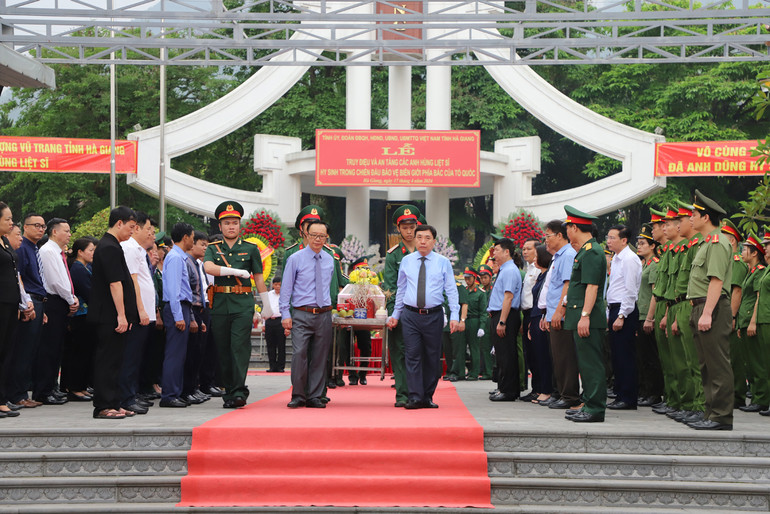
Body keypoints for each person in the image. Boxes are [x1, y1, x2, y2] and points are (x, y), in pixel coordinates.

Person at [204, 201, 272, 408]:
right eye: (227, 223)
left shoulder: (250, 249)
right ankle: (229, 392)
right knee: (223, 349)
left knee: (239, 347)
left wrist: (267, 304)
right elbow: (208, 267)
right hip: (220, 304)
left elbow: (259, 278)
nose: (231, 226)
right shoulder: (213, 248)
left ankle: (239, 391)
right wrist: (233, 271)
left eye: (234, 223)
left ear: (240, 225)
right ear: (220, 227)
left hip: (242, 304)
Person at [387, 224, 459, 409]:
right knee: (412, 355)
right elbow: (401, 289)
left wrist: (455, 315)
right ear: (415, 239)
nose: (422, 241)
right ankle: (414, 396)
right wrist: (396, 314)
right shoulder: (407, 261)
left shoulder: (442, 262)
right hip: (410, 315)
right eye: (419, 237)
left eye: (427, 238)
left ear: (434, 241)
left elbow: (451, 289)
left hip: (433, 315)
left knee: (432, 357)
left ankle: (427, 396)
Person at [685, 189, 734, 430]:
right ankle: (710, 411)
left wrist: (707, 313)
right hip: (701, 305)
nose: (690, 218)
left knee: (717, 364)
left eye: (694, 214)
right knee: (706, 365)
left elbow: (716, 281)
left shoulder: (717, 242)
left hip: (711, 307)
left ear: (706, 218)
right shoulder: (705, 243)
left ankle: (721, 416)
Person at [89, 206, 139, 419]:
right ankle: (103, 405)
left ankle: (115, 402)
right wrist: (121, 314)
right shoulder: (108, 247)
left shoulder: (113, 245)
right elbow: (114, 284)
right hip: (108, 315)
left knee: (116, 361)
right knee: (107, 361)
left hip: (114, 315)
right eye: (130, 227)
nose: (132, 231)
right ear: (119, 223)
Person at [280, 219, 334, 408]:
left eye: (322, 236)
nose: (317, 239)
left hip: (324, 313)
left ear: (326, 238)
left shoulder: (330, 259)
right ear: (306, 235)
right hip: (302, 313)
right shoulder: (295, 258)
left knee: (321, 356)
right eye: (314, 235)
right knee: (299, 354)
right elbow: (286, 289)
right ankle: (298, 394)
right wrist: (285, 314)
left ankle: (315, 396)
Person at [562, 206, 607, 423]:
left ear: (574, 227)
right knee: (585, 363)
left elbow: (592, 287)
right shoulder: (586, 250)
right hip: (582, 315)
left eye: (568, 227)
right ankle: (589, 403)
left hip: (588, 317)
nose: (567, 232)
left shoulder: (592, 251)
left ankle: (595, 408)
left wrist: (585, 315)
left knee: (591, 363)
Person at [666, 203, 706, 425]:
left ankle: (697, 406)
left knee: (694, 361)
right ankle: (687, 403)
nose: (685, 223)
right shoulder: (686, 248)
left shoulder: (698, 246)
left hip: (689, 304)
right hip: (677, 305)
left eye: (680, 220)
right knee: (682, 362)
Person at [35, 217, 79, 405]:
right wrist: (70, 298)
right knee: (48, 348)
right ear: (54, 232)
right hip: (54, 301)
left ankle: (52, 387)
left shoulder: (58, 252)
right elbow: (55, 281)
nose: (69, 234)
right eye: (66, 230)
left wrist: (70, 298)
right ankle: (43, 391)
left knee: (56, 348)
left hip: (61, 301)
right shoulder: (47, 251)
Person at [6, 213, 47, 409]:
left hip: (38, 301)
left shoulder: (34, 248)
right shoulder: (21, 250)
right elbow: (19, 277)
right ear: (26, 227)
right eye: (36, 225)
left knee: (30, 351)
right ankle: (17, 394)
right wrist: (26, 304)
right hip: (28, 302)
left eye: (43, 226)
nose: (40, 229)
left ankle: (21, 392)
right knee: (22, 352)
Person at [383, 204, 421, 407]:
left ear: (417, 226)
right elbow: (389, 287)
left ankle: (419, 392)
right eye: (404, 227)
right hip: (402, 311)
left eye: (412, 226)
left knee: (419, 353)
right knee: (399, 352)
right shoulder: (394, 254)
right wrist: (394, 313)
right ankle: (402, 394)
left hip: (422, 311)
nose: (409, 231)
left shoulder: (426, 251)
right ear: (398, 229)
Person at [119, 212, 156, 415]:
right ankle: (126, 397)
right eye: (149, 229)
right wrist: (140, 309)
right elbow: (132, 281)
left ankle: (132, 394)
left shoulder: (139, 250)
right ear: (137, 229)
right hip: (137, 312)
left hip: (146, 312)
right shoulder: (130, 248)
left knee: (137, 357)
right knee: (130, 357)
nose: (152, 233)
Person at [540, 219, 580, 409]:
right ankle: (563, 393)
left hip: (562, 315)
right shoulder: (558, 256)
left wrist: (559, 312)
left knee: (566, 357)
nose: (545, 240)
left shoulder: (568, 255)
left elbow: (568, 284)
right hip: (554, 314)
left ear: (559, 235)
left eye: (548, 236)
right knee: (558, 357)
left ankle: (570, 396)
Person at [605, 224, 642, 410]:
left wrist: (621, 315)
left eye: (612, 238)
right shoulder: (617, 259)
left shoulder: (629, 259)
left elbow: (630, 290)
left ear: (624, 240)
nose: (608, 241)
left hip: (624, 310)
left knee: (625, 356)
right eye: (608, 237)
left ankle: (628, 398)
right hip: (615, 308)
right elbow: (614, 289)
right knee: (617, 356)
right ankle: (620, 394)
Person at [159, 222, 195, 408]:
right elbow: (173, 291)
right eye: (193, 237)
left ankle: (176, 391)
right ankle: (169, 394)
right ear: (186, 237)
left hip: (183, 307)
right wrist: (178, 316)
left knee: (180, 353)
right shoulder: (174, 257)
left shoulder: (179, 257)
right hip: (178, 307)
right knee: (174, 353)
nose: (194, 241)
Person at [487, 237, 523, 402]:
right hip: (500, 314)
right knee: (502, 354)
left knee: (506, 354)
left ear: (507, 251)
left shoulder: (509, 270)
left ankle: (508, 390)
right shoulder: (505, 269)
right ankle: (505, 387)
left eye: (497, 250)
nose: (494, 253)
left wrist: (502, 321)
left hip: (505, 315)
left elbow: (508, 297)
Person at [61, 237, 97, 402]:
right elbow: (89, 293)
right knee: (79, 353)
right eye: (90, 250)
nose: (93, 253)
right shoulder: (77, 268)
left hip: (86, 316)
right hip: (80, 316)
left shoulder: (85, 267)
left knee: (84, 352)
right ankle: (75, 387)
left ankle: (80, 386)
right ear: (80, 252)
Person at [722, 219, 751, 409]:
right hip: (723, 314)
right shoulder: (726, 261)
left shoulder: (736, 262)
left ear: (732, 240)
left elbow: (737, 291)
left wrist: (731, 317)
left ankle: (738, 396)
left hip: (731, 316)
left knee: (734, 358)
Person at [736, 232, 767, 413]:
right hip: (745, 321)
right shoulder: (751, 272)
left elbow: (757, 298)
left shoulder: (759, 273)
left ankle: (761, 398)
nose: (743, 252)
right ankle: (756, 396)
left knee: (757, 362)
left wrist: (753, 321)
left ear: (755, 253)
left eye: (746, 249)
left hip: (752, 321)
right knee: (750, 362)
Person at [636, 224, 664, 407]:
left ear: (653, 246)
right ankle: (646, 391)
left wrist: (649, 318)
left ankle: (654, 393)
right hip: (640, 313)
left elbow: (655, 293)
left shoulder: (654, 265)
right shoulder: (644, 264)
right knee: (642, 356)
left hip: (647, 314)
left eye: (643, 243)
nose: (639, 246)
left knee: (650, 357)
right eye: (638, 243)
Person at [182, 230, 210, 405]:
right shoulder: (186, 262)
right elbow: (187, 293)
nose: (205, 248)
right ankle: (187, 389)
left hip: (201, 310)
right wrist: (193, 317)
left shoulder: (198, 264)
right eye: (202, 244)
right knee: (190, 353)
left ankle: (193, 388)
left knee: (198, 352)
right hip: (192, 309)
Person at [0, 203, 22, 418]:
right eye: (7, 219)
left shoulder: (5, 241)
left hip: (10, 303)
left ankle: (2, 398)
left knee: (7, 353)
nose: (11, 223)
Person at [340, 257, 373, 386]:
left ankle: (363, 374)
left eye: (366, 269)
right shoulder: (348, 284)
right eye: (361, 270)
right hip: (349, 320)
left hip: (365, 321)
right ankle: (352, 375)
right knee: (348, 348)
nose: (364, 272)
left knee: (366, 347)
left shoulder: (370, 285)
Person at [529, 243, 553, 403]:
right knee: (537, 356)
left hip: (543, 317)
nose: (535, 259)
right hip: (536, 316)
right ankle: (541, 388)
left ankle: (547, 390)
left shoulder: (547, 275)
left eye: (537, 256)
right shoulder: (540, 275)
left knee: (545, 356)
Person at [520, 238, 540, 400]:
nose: (524, 251)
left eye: (528, 249)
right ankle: (536, 389)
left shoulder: (539, 270)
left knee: (536, 353)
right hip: (527, 313)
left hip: (535, 313)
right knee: (530, 354)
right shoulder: (529, 269)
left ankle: (540, 389)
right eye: (523, 249)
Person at [264, 277, 285, 373]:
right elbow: (265, 307)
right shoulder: (268, 295)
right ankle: (272, 366)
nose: (277, 286)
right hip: (269, 320)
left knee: (281, 345)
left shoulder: (285, 294)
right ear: (273, 285)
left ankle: (281, 366)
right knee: (270, 345)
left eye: (279, 285)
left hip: (280, 321)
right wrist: (264, 323)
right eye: (276, 284)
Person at [477, 264, 495, 380]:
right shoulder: (480, 290)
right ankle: (485, 370)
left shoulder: (493, 289)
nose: (483, 280)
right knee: (483, 346)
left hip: (492, 319)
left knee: (491, 347)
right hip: (483, 320)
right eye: (481, 278)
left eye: (485, 277)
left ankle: (490, 372)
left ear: (490, 277)